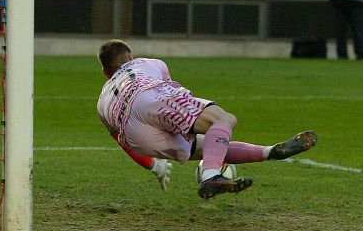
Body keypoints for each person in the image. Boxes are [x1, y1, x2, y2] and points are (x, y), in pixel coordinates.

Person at [95, 40, 318, 198]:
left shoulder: (102, 100)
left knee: (204, 148)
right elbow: (174, 111)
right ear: (130, 57)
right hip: (148, 96)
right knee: (221, 120)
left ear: (106, 74)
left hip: (134, 136)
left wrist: (152, 165)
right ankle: (211, 174)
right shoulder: (148, 63)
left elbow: (120, 139)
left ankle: (270, 152)